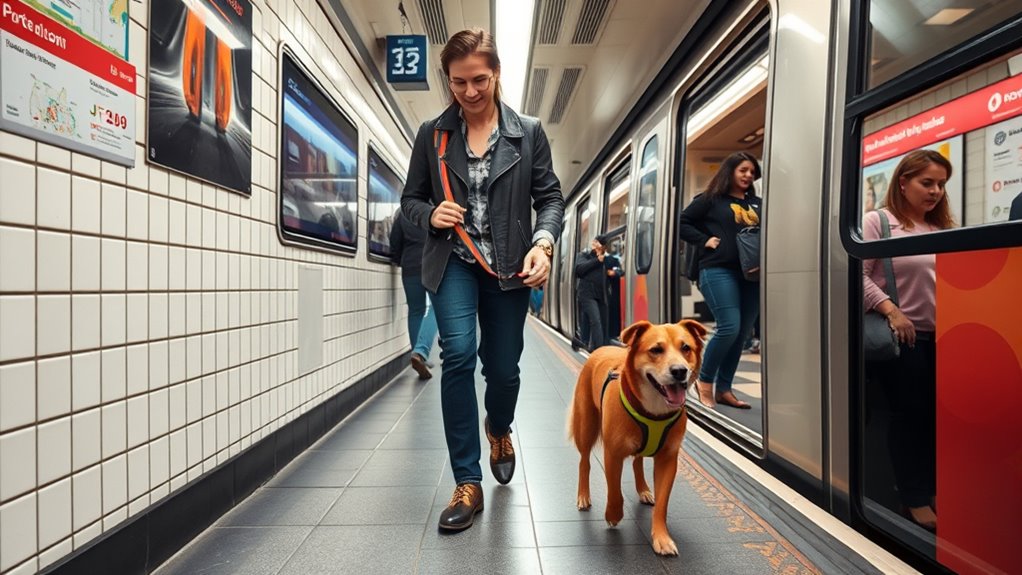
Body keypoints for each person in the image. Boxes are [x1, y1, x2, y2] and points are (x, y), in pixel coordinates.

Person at [400, 28, 564, 532]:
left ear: (495, 74)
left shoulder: (527, 132)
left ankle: (499, 426)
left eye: (479, 80)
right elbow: (409, 201)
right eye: (458, 82)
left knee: (504, 370)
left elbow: (550, 198)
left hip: (510, 267)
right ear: (448, 82)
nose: (469, 92)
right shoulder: (432, 134)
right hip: (453, 261)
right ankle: (467, 482)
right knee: (457, 355)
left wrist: (543, 243)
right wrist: (430, 215)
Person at [863, 149, 955, 533]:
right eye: (926, 182)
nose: (935, 191)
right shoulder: (879, 222)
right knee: (911, 415)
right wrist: (892, 311)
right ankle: (912, 495)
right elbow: (858, 275)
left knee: (937, 418)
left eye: (941, 184)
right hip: (903, 337)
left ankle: (932, 488)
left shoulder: (941, 228)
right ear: (903, 182)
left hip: (944, 337)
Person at [678, 152, 762, 409]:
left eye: (752, 171)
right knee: (729, 327)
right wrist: (704, 240)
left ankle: (724, 389)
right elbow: (682, 222)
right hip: (717, 270)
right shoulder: (711, 199)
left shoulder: (758, 203)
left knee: (741, 333)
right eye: (743, 170)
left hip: (752, 274)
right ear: (730, 171)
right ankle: (704, 382)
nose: (748, 175)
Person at [389, 209, 437, 380]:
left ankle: (417, 354)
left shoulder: (404, 213)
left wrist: (396, 259)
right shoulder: (434, 210)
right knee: (436, 308)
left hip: (410, 267)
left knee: (415, 310)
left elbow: (395, 240)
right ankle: (421, 351)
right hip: (432, 264)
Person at [574, 235, 610, 351]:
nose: (595, 243)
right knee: (595, 321)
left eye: (598, 243)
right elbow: (579, 270)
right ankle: (600, 351)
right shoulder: (584, 255)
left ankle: (581, 342)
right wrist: (597, 261)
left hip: (601, 295)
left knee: (596, 322)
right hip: (586, 294)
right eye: (595, 241)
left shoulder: (607, 259)